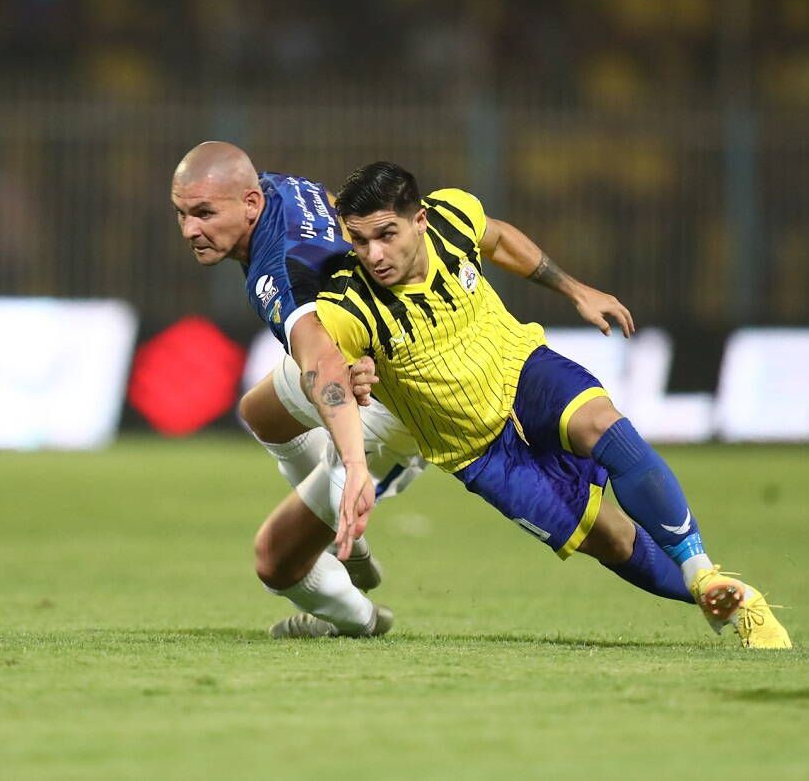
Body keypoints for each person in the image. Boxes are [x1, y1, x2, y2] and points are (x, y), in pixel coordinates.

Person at [301, 159, 790, 648]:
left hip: (523, 370)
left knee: (601, 424)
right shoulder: (347, 305)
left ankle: (701, 569)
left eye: (386, 235)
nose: (374, 254)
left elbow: (496, 239)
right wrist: (355, 378)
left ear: (420, 220)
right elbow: (324, 374)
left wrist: (575, 290)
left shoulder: (452, 215)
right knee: (614, 540)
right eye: (359, 240)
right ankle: (730, 598)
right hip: (478, 450)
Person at [171, 141, 424, 638]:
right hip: (357, 353)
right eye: (181, 214)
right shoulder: (278, 188)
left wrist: (352, 465)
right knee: (262, 410)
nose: (190, 230)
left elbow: (323, 365)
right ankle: (347, 545)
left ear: (249, 204)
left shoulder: (277, 271)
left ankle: (359, 620)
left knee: (274, 562)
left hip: (393, 399)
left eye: (203, 213)